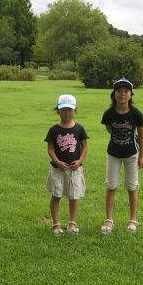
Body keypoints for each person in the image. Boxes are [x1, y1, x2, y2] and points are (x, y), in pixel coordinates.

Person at [100, 78, 143, 234]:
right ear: (114, 94)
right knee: (111, 186)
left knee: (132, 187)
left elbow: (141, 136)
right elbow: (109, 128)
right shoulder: (109, 113)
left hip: (131, 154)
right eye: (119, 91)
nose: (122, 94)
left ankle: (132, 220)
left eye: (126, 91)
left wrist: (142, 156)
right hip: (113, 154)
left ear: (131, 94)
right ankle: (108, 220)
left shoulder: (136, 114)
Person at [44, 94, 89, 235]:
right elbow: (50, 148)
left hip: (75, 169)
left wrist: (80, 161)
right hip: (58, 169)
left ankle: (72, 223)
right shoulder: (54, 130)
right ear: (58, 110)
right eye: (63, 110)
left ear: (75, 111)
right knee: (56, 195)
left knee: (73, 197)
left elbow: (85, 146)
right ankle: (56, 224)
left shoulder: (79, 129)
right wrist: (58, 162)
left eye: (70, 110)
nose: (66, 113)